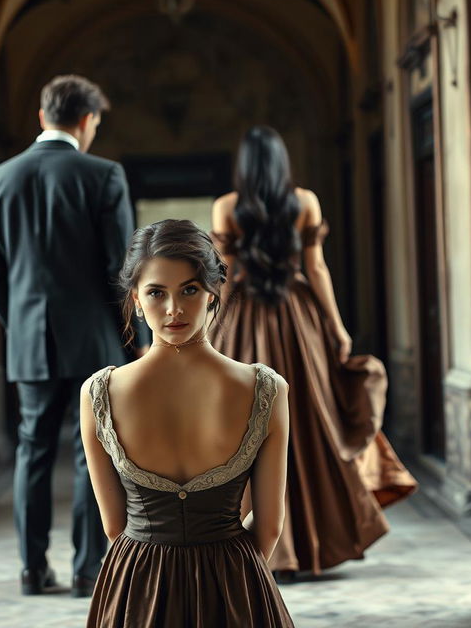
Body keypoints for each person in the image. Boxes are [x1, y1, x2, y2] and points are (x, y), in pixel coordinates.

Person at [211, 125, 417, 577]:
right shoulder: (304, 202)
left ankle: (258, 545)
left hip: (243, 323)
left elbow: (223, 277)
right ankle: (310, 546)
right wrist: (337, 327)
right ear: (282, 161)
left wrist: (207, 332)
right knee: (306, 423)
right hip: (298, 320)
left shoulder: (228, 207)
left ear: (244, 164)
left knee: (247, 428)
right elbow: (316, 268)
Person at [0, 74, 148, 597]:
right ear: (86, 119)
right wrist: (135, 335)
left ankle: (31, 570)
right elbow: (122, 268)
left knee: (33, 448)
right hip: (95, 340)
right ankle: (87, 570)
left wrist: (22, 326)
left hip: (28, 342)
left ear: (42, 117)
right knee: (90, 451)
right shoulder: (103, 175)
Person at [80, 220, 294, 627]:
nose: (173, 309)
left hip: (137, 589)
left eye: (189, 290)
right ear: (137, 300)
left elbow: (114, 526)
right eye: (158, 293)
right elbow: (269, 526)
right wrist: (231, 576)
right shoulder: (266, 389)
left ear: (214, 294)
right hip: (236, 587)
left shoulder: (98, 394)